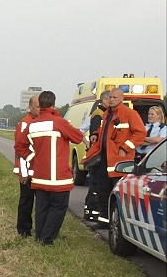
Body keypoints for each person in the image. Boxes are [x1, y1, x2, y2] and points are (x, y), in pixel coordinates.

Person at [14, 91, 84, 245]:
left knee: (42, 207)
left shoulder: (32, 124)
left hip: (40, 175)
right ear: (53, 104)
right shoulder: (58, 122)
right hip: (58, 177)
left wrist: (32, 157)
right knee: (58, 207)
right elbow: (78, 138)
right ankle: (47, 238)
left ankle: (40, 235)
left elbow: (19, 145)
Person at [83, 87, 146, 228]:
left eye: (114, 97)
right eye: (110, 97)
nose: (111, 99)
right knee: (102, 190)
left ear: (122, 99)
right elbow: (104, 131)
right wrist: (96, 135)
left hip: (120, 162)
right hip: (105, 159)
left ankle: (121, 223)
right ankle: (105, 220)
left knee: (118, 194)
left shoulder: (129, 114)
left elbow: (140, 133)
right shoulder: (107, 114)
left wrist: (126, 147)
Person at [13, 95, 40, 237]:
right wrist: (23, 171)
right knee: (27, 200)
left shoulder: (39, 121)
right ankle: (24, 230)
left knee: (40, 202)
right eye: (37, 106)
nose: (40, 109)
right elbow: (20, 148)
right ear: (30, 107)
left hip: (38, 170)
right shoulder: (25, 123)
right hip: (27, 171)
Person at [83, 91, 110, 222]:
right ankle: (92, 212)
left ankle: (90, 210)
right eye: (110, 99)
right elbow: (96, 136)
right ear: (104, 100)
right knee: (96, 183)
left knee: (94, 183)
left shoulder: (99, 113)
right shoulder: (99, 115)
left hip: (95, 154)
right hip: (97, 155)